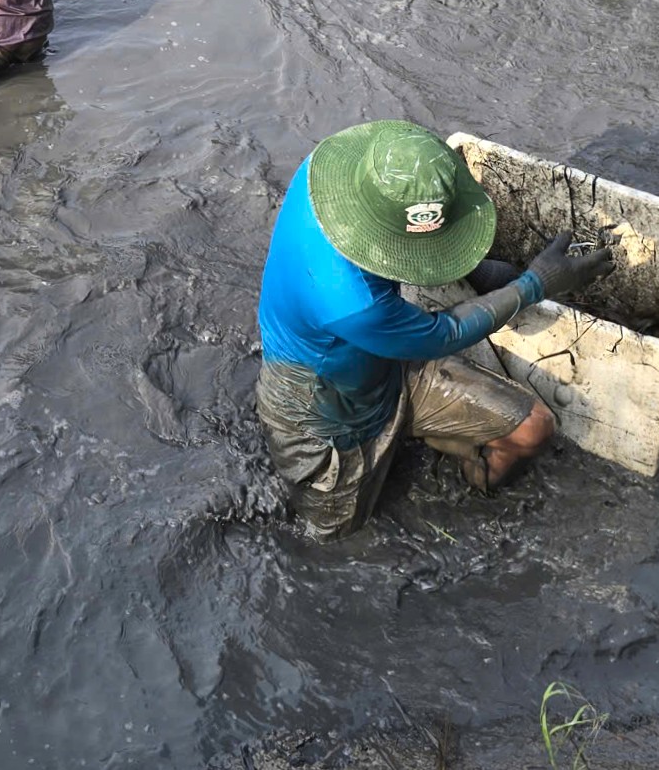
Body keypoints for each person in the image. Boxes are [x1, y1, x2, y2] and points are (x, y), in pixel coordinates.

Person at [255, 120, 614, 538]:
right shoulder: (351, 301)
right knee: (334, 537)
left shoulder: (326, 174)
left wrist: (474, 267)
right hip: (326, 421)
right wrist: (534, 284)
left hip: (385, 366)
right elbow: (443, 334)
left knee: (531, 427)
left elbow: (398, 248)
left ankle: (474, 487)